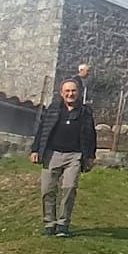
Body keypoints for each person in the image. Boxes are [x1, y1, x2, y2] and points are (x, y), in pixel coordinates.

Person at [31, 78, 97, 237]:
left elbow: (91, 134)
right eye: (67, 91)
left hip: (74, 155)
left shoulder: (85, 111)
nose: (70, 94)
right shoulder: (53, 109)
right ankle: (49, 223)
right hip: (52, 153)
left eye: (73, 91)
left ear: (78, 93)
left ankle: (63, 224)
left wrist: (90, 157)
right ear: (61, 93)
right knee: (47, 190)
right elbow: (42, 130)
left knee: (69, 188)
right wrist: (35, 150)